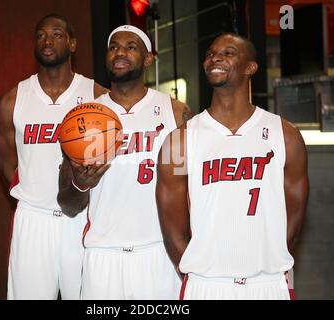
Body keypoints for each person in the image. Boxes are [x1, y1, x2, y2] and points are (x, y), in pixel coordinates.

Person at [156, 33, 309, 300]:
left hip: (268, 284)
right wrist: (203, 271)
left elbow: (295, 218)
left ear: (250, 67)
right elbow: (172, 228)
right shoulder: (178, 141)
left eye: (228, 53)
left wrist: (266, 262)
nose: (215, 57)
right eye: (210, 53)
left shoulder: (286, 135)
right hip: (206, 285)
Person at [58, 25, 193, 299]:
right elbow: (67, 204)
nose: (120, 52)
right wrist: (80, 184)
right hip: (102, 256)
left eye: (131, 46)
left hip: (160, 253)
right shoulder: (81, 118)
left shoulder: (175, 113)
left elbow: (188, 189)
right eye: (113, 47)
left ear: (148, 59)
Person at [0, 13, 108, 300]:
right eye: (41, 35)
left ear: (72, 43)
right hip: (33, 221)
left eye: (57, 34)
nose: (47, 40)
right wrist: (35, 193)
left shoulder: (97, 95)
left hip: (82, 218)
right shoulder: (12, 101)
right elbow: (8, 165)